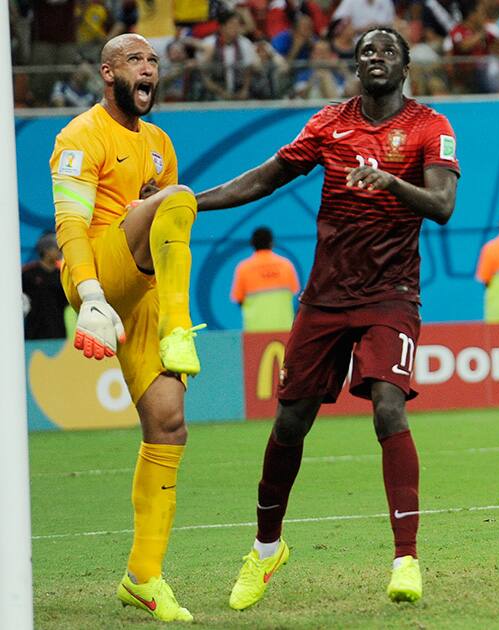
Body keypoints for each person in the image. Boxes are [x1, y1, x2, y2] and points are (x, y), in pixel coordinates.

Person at [194, 26, 460, 608]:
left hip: (392, 294)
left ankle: (406, 559)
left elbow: (442, 206)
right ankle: (266, 550)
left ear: (405, 64)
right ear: (356, 65)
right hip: (324, 298)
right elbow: (266, 177)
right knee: (290, 424)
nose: (375, 57)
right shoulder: (328, 124)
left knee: (388, 405)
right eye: (366, 51)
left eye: (387, 50)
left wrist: (391, 181)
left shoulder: (429, 127)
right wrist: (192, 200)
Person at [49, 34, 203, 621]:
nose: (149, 69)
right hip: (95, 276)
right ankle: (181, 329)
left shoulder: (160, 144)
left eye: (154, 62)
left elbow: (168, 244)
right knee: (175, 199)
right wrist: (89, 296)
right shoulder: (79, 136)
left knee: (168, 424)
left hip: (139, 291)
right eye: (136, 60)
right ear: (108, 73)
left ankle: (143, 576)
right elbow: (70, 224)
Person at [231, 227, 301, 331]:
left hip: (255, 330)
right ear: (272, 243)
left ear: (252, 243)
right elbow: (295, 293)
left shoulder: (244, 268)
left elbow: (238, 299)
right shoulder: (286, 265)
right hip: (284, 327)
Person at [22, 232, 69, 340]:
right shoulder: (29, 273)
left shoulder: (61, 275)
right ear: (46, 250)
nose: (59, 251)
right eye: (56, 248)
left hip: (58, 330)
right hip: (34, 331)